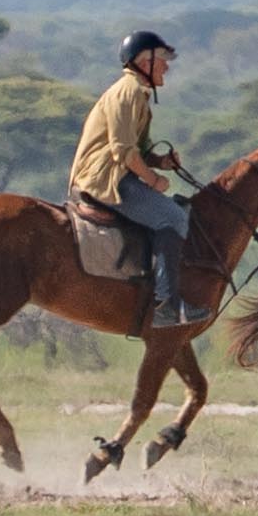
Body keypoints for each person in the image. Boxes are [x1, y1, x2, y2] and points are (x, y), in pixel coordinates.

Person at [73, 30, 197, 331]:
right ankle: (167, 305)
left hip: (116, 172)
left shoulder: (137, 93)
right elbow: (123, 151)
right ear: (144, 61)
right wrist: (153, 179)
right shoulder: (127, 92)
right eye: (162, 61)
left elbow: (137, 150)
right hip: (106, 178)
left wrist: (160, 163)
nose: (166, 67)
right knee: (173, 217)